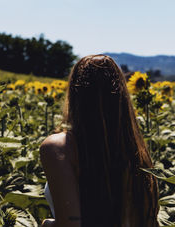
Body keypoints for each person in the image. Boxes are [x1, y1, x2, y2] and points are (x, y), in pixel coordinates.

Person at [40, 55, 159, 227]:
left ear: (74, 94)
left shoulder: (58, 148)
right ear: (122, 98)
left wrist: (48, 224)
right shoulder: (137, 153)